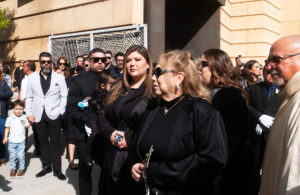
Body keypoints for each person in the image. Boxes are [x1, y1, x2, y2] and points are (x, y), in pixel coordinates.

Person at [131, 50, 227, 194]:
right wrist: (135, 166)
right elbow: (138, 145)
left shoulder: (202, 112)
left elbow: (211, 162)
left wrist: (155, 172)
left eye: (159, 72)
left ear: (179, 78)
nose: (152, 77)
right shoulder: (153, 106)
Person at [200, 49, 259, 195]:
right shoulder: (217, 94)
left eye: (203, 64)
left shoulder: (228, 95)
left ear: (217, 67)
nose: (199, 69)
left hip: (232, 177)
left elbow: (228, 140)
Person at [98, 45, 153, 195]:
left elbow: (153, 125)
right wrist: (111, 133)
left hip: (134, 158)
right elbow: (102, 113)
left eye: (137, 59)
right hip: (110, 155)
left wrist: (129, 138)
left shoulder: (153, 91)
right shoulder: (117, 86)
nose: (132, 64)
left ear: (148, 63)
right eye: (128, 60)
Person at [259, 35, 300, 195]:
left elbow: (295, 177)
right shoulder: (290, 97)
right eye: (268, 61)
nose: (268, 67)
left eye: (276, 60)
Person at [67, 48, 106, 194]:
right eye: (96, 59)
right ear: (89, 61)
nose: (100, 62)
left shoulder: (112, 79)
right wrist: (88, 120)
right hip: (84, 132)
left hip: (106, 131)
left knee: (106, 167)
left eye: (103, 59)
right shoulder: (79, 81)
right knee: (85, 169)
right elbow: (71, 107)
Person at [25, 52, 68, 180]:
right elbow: (29, 97)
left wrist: (61, 111)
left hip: (54, 115)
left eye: (48, 61)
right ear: (39, 63)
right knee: (43, 143)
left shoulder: (59, 77)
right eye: (43, 62)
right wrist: (29, 114)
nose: (46, 64)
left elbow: (64, 95)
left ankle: (57, 169)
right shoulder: (31, 78)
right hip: (38, 115)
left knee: (55, 143)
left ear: (51, 63)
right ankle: (46, 166)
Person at [2, 100, 30, 178]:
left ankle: (21, 169)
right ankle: (13, 169)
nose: (19, 111)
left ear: (23, 109)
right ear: (13, 109)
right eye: (17, 109)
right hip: (11, 141)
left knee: (21, 156)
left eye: (21, 109)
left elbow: (27, 126)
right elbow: (7, 128)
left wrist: (30, 122)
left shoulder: (24, 117)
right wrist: (5, 137)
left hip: (21, 141)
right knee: (12, 156)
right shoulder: (10, 118)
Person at [0, 62, 13, 166]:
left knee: (2, 136)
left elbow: (10, 93)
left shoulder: (3, 80)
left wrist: (1, 95)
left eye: (0, 65)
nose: (0, 67)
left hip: (1, 114)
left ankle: (2, 157)